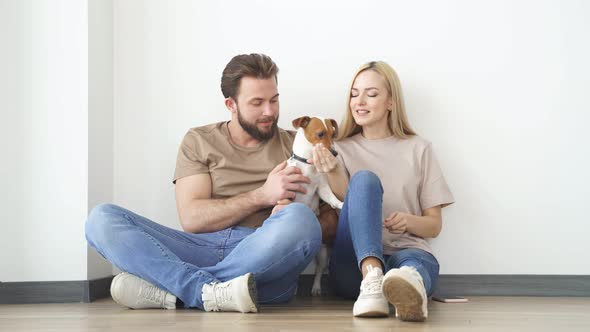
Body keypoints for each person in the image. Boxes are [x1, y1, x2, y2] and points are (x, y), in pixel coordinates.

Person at [85, 53, 322, 313]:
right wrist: (262, 195)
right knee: (101, 219)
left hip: (262, 252)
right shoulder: (199, 140)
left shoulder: (298, 144)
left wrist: (287, 214)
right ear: (231, 104)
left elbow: (329, 216)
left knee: (301, 218)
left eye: (274, 100)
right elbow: (193, 219)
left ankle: (176, 289)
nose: (270, 111)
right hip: (199, 248)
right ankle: (213, 292)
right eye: (257, 102)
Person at [310, 61, 454, 321]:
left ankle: (408, 286)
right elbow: (345, 199)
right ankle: (373, 276)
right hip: (352, 262)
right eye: (354, 94)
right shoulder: (339, 148)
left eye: (371, 94)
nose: (359, 101)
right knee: (364, 180)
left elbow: (434, 226)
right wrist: (332, 170)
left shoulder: (419, 149)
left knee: (414, 267)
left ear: (390, 102)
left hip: (407, 250)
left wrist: (409, 221)